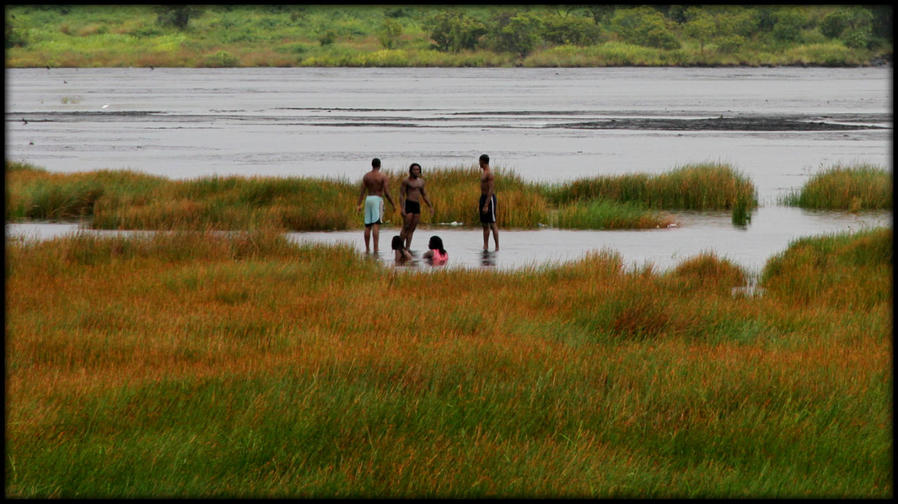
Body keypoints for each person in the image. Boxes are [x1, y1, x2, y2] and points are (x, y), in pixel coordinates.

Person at [356, 157, 396, 253]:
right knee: (376, 224)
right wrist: (393, 204)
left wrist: (359, 204)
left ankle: (367, 248)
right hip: (377, 199)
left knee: (367, 225)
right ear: (380, 165)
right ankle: (375, 248)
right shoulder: (382, 176)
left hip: (368, 199)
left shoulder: (366, 176)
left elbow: (362, 192)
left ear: (372, 165)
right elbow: (386, 192)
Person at [399, 162, 434, 250]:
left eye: (418, 169)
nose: (416, 171)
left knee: (412, 229)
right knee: (406, 227)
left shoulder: (421, 182)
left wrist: (430, 206)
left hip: (416, 205)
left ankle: (407, 248)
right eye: (414, 169)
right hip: (408, 204)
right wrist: (402, 208)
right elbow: (401, 195)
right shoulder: (406, 181)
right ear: (411, 171)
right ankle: (399, 247)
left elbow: (424, 195)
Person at [478, 153, 499, 251]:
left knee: (492, 223)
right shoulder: (484, 172)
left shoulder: (489, 173)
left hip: (489, 199)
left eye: (480, 161)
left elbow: (491, 189)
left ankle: (497, 246)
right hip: (483, 197)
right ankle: (485, 246)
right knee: (485, 224)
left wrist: (486, 205)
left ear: (483, 162)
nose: (479, 163)